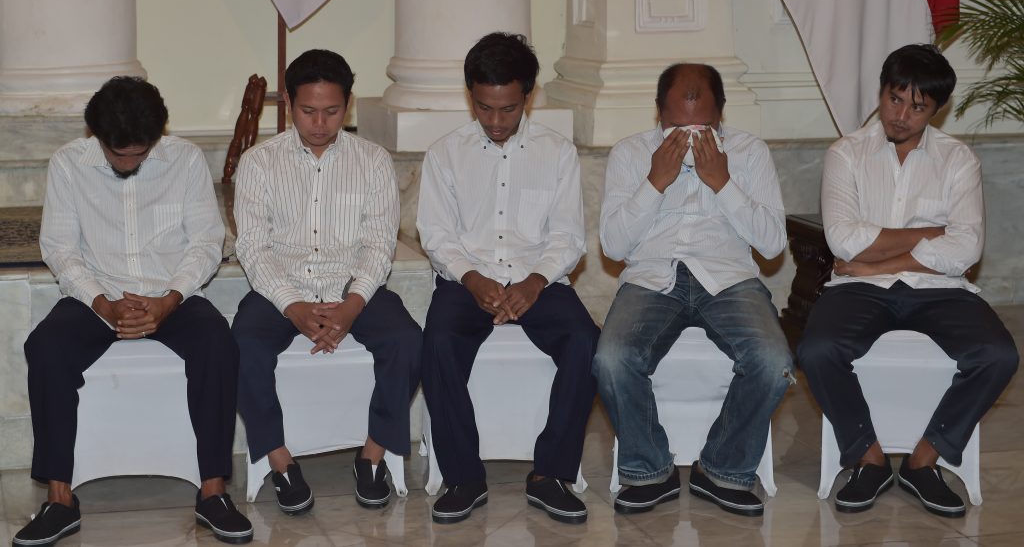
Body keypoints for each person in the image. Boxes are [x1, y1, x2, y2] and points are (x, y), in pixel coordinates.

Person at [17, 77, 251, 546]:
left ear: (158, 136)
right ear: (96, 137)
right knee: (45, 348)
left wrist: (171, 298)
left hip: (171, 293)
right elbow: (61, 250)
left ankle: (213, 492)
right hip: (97, 295)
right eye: (116, 154)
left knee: (218, 343)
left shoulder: (183, 160)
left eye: (138, 155)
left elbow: (206, 241)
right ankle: (60, 499)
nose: (127, 164)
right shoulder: (68, 164)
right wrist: (101, 302)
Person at [798, 44, 1019, 517]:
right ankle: (869, 459)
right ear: (882, 92)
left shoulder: (958, 160)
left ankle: (924, 461)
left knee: (998, 355)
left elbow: (965, 250)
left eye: (918, 107)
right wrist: (930, 233)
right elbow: (843, 239)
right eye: (895, 99)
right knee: (816, 349)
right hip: (857, 288)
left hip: (938, 287)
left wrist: (877, 262)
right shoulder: (847, 154)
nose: (902, 115)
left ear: (938, 110)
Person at [593, 63, 793, 517]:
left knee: (773, 361)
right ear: (658, 114)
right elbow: (614, 246)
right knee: (611, 358)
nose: (688, 138)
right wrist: (654, 181)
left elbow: (772, 243)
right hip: (651, 275)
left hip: (729, 277)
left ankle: (723, 469)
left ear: (721, 115)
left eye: (701, 126)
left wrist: (722, 182)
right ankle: (649, 471)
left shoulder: (749, 152)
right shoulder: (629, 153)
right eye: (676, 126)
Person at [417, 32, 599, 524]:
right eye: (484, 108)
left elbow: (568, 236)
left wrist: (536, 281)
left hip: (539, 281)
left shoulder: (557, 152)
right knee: (436, 342)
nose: (496, 122)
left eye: (508, 109)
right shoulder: (445, 153)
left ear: (529, 96)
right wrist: (472, 278)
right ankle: (463, 477)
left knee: (586, 341)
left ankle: (550, 475)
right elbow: (436, 234)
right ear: (470, 95)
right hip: (465, 281)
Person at [232, 49, 421, 514]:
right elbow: (253, 248)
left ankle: (373, 455)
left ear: (348, 105)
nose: (319, 123)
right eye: (308, 111)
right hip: (282, 289)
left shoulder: (373, 161)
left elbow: (380, 245)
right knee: (239, 346)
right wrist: (292, 305)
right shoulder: (259, 163)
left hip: (354, 286)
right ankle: (280, 462)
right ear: (290, 104)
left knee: (409, 341)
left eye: (332, 111)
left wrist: (353, 304)